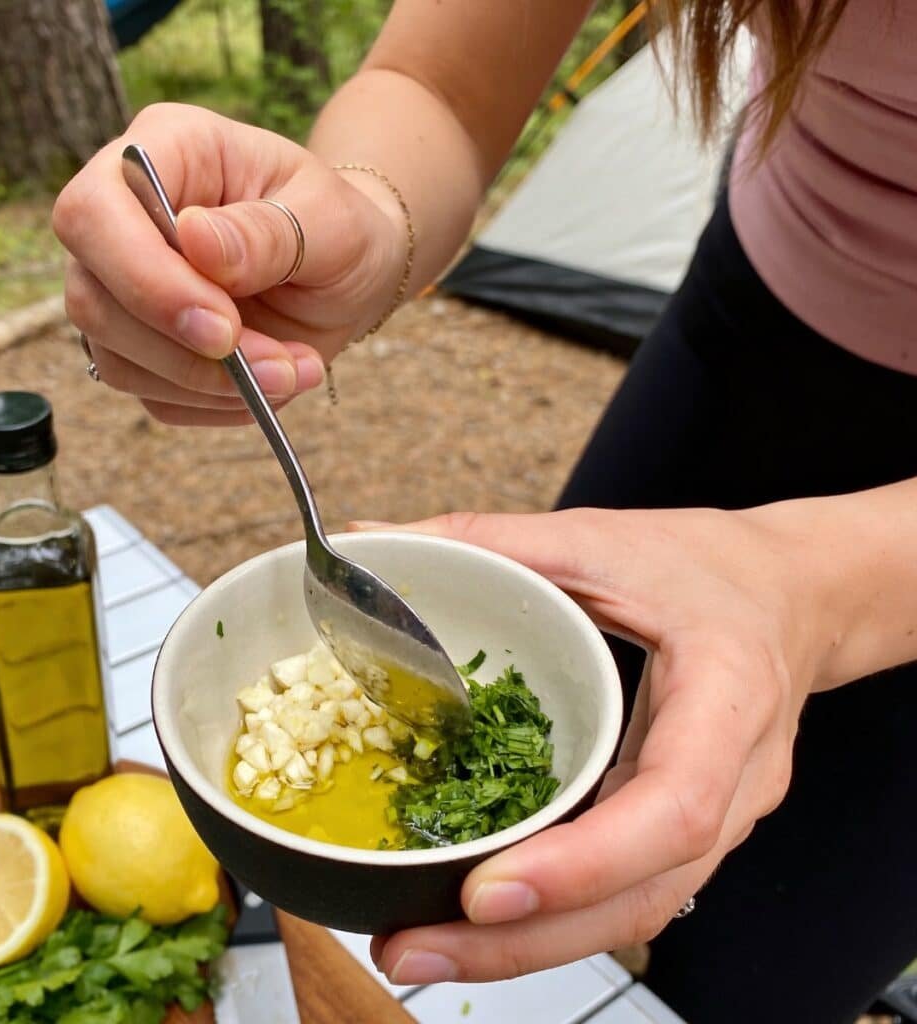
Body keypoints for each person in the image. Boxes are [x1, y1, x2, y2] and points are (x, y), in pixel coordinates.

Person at [52, 1, 917, 1019]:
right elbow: (441, 87)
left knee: (755, 967)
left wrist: (819, 586)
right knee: (589, 846)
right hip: (756, 308)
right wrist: (361, 215)